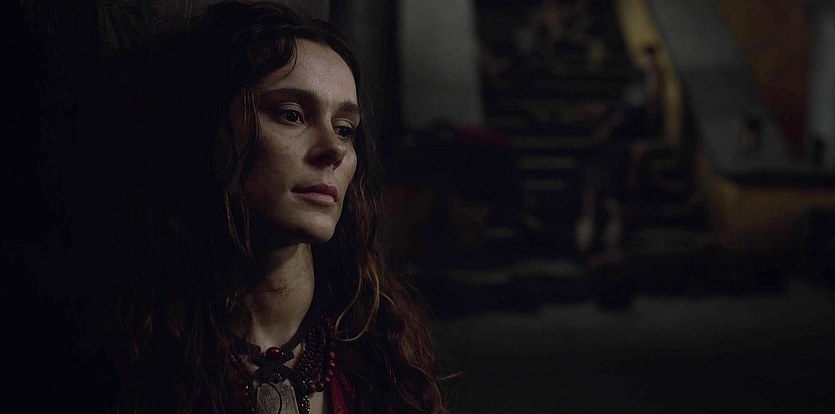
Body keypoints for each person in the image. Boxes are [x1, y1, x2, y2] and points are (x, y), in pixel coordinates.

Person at [87, 2, 450, 413]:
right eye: (291, 115)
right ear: (207, 130)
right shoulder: (126, 350)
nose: (333, 149)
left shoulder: (381, 347)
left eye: (345, 129)